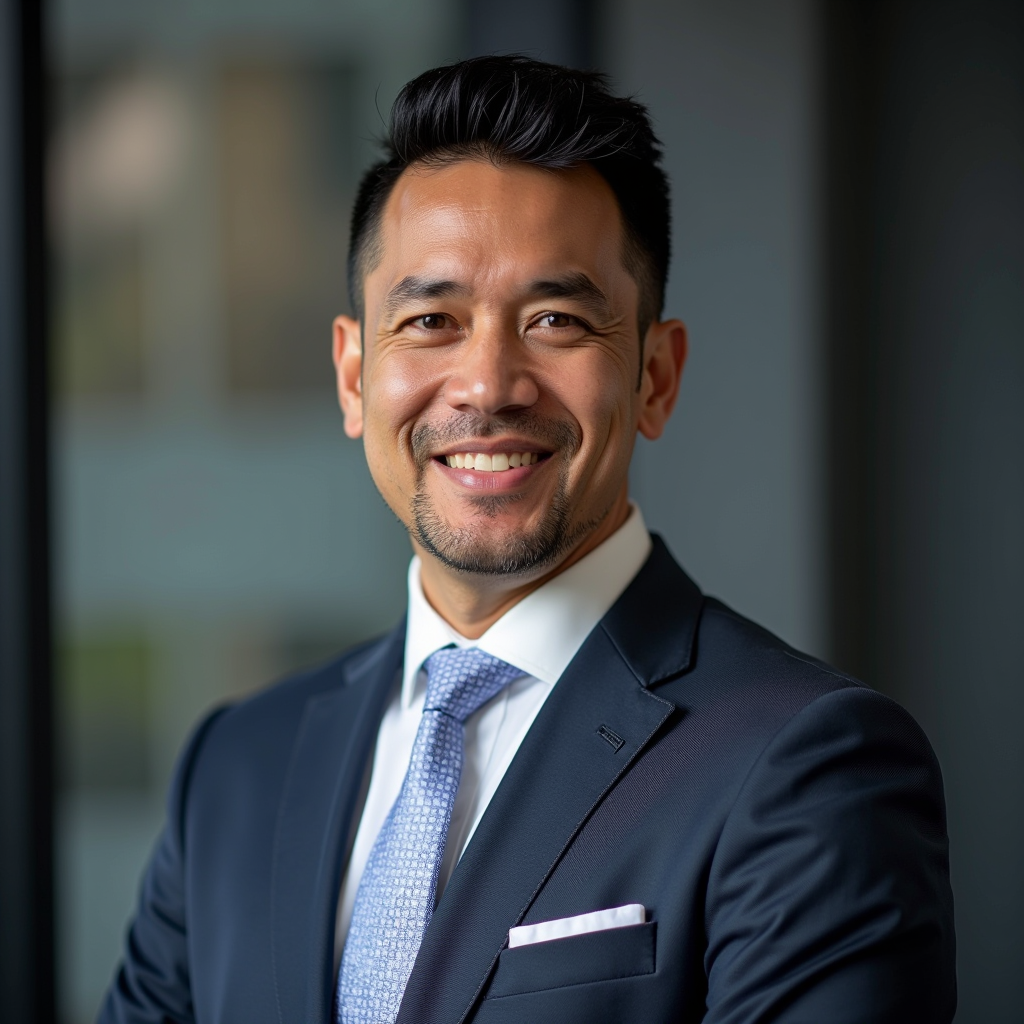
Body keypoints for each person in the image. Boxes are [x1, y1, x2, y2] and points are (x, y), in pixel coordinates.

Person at [99, 56, 955, 1024]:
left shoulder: (805, 762)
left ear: (655, 376)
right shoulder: (237, 764)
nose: (487, 383)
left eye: (556, 319)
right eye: (430, 320)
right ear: (352, 375)